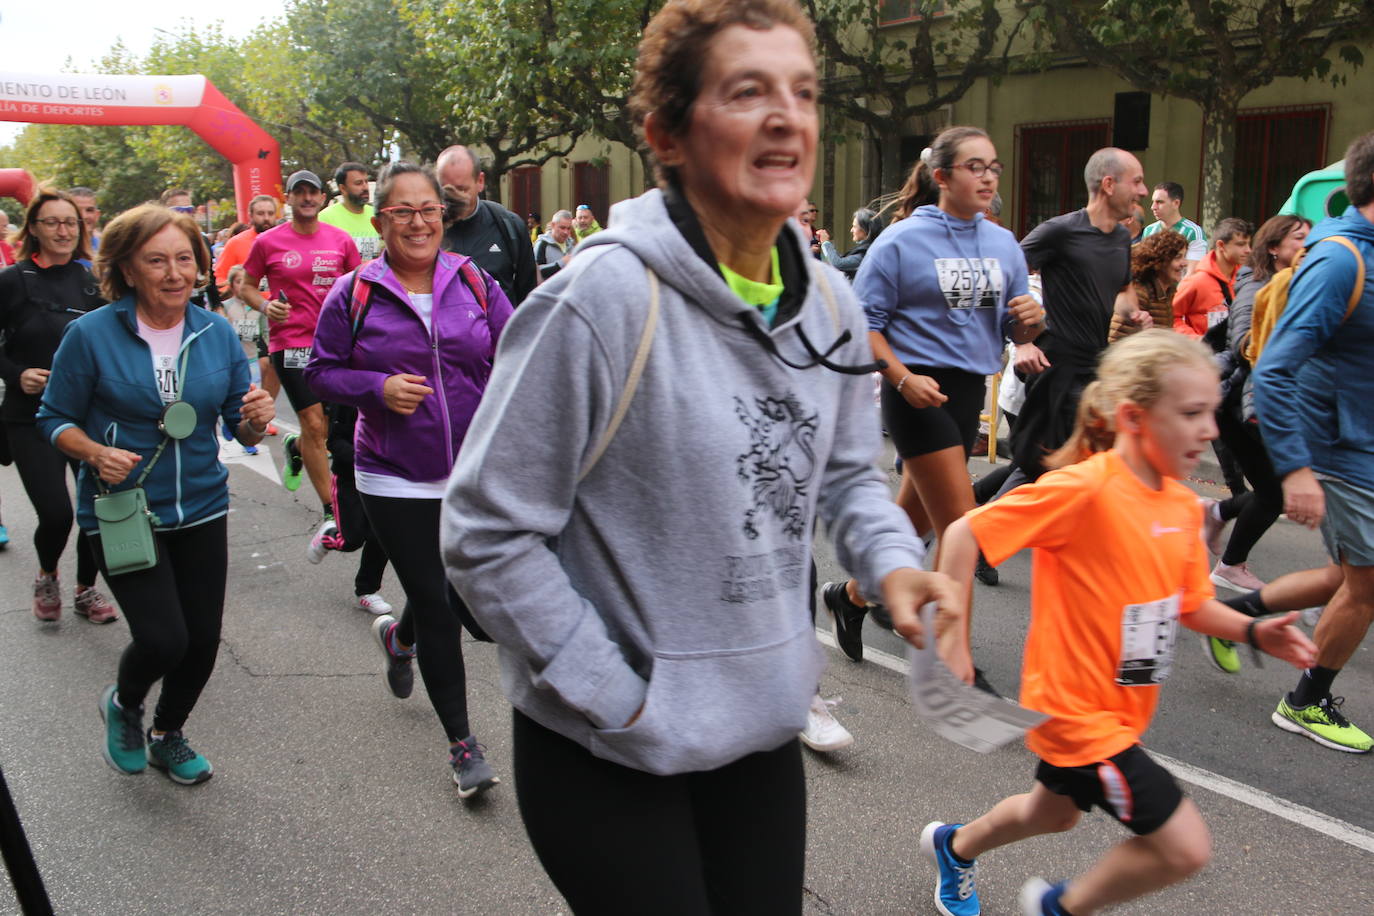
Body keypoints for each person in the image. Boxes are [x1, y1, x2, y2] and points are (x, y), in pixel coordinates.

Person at [441, 1, 955, 909]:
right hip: (607, 739)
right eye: (746, 91)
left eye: (801, 91)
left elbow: (842, 475)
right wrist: (614, 690)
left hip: (757, 721)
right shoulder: (598, 301)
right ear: (667, 136)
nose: (786, 116)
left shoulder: (833, 302)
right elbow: (486, 532)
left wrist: (895, 564)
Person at [921, 330, 1316, 916]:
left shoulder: (1182, 506)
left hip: (1124, 710)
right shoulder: (1085, 489)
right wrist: (951, 639)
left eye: (1211, 411)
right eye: (1191, 414)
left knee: (1050, 814)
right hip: (1074, 711)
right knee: (1183, 847)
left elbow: (1190, 604)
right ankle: (1058, 908)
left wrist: (1254, 630)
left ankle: (954, 848)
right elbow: (963, 531)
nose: (1210, 430)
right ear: (1133, 417)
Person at [37, 203, 275, 785]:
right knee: (163, 638)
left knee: (202, 641)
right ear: (127, 268)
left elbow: (234, 426)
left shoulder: (215, 332)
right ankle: (124, 702)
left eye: (185, 259)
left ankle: (167, 734)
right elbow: (54, 418)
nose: (174, 273)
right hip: (124, 511)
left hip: (201, 505)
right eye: (156, 260)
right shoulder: (90, 335)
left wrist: (254, 418)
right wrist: (94, 453)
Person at [305, 160, 514, 797]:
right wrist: (376, 387)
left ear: (442, 217)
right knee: (435, 597)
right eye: (403, 212)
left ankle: (399, 642)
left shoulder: (475, 282)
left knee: (446, 590)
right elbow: (318, 373)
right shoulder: (355, 292)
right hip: (393, 475)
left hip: (470, 471)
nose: (418, 222)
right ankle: (462, 745)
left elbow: (519, 352)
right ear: (380, 221)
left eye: (428, 210)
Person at [823, 127, 1043, 682]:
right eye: (974, 166)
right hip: (914, 392)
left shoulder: (1003, 244)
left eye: (993, 166)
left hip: (969, 389)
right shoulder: (900, 242)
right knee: (961, 526)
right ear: (941, 177)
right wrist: (900, 379)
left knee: (908, 522)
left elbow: (1015, 323)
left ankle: (850, 598)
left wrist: (1031, 329)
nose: (989, 177)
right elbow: (864, 326)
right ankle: (951, 661)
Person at [1255, 130, 1374, 754]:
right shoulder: (1339, 260)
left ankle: (1238, 617)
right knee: (1367, 581)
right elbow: (1274, 369)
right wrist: (1296, 468)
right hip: (1342, 451)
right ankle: (1304, 701)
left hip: (1365, 446)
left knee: (1346, 574)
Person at [0, 188, 115, 620]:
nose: (63, 230)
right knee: (55, 512)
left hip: (90, 413)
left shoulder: (97, 276)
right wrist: (16, 374)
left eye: (71, 222)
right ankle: (47, 574)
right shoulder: (11, 281)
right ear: (33, 228)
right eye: (52, 222)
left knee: (98, 509)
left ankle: (86, 589)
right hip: (29, 415)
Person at [1010, 147, 1150, 487]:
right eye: (1137, 182)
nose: (1143, 191)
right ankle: (972, 534)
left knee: (1061, 470)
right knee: (1049, 469)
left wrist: (1134, 313)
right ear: (1108, 184)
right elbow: (1005, 274)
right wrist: (1023, 342)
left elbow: (1122, 289)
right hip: (1057, 365)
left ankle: (970, 520)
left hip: (1094, 364)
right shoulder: (1059, 232)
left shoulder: (1121, 237)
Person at [239, 170, 361, 537]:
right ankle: (330, 508)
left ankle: (297, 447)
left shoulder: (340, 240)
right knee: (311, 421)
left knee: (326, 427)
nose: (307, 198)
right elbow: (245, 285)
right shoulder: (268, 242)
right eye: (299, 193)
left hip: (335, 343)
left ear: (323, 199)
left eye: (313, 193)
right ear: (288, 199)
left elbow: (359, 288)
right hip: (290, 342)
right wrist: (264, 307)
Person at [1198, 214, 1311, 607]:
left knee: (1272, 489)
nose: (1306, 244)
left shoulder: (1299, 285)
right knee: (1276, 491)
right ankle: (1229, 564)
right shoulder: (1256, 283)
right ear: (1275, 247)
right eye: (1298, 238)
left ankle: (1216, 513)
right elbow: (1244, 337)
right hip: (1239, 403)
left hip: (1261, 402)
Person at [213, 194, 282, 432]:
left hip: (273, 316)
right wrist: (235, 293)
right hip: (243, 316)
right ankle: (239, 414)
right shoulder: (237, 243)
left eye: (269, 213)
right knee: (249, 367)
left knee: (271, 366)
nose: (265, 218)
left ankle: (264, 416)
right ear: (251, 216)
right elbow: (219, 276)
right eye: (260, 213)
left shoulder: (283, 241)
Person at [436, 145, 537, 306]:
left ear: (480, 182)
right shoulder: (427, 230)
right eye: (446, 190)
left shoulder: (509, 226)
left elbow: (528, 295)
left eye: (461, 189)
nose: (453, 198)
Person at [1171, 217, 1252, 338]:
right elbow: (1172, 317)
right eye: (1241, 244)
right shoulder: (1196, 281)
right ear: (1221, 245)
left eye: (1248, 244)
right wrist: (1196, 340)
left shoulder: (1246, 279)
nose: (1248, 250)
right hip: (1203, 353)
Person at [1108, 229, 1187, 342]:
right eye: (1178, 257)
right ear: (1159, 260)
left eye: (1184, 256)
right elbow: (1117, 341)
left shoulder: (1168, 289)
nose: (1185, 263)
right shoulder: (1139, 292)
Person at [319, 161, 383, 260]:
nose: (365, 187)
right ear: (343, 188)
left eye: (366, 182)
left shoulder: (378, 215)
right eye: (358, 183)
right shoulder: (325, 218)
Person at [1143, 181, 1208, 272]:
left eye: (1159, 202)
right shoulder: (1149, 230)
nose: (1153, 207)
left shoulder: (1193, 232)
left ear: (1176, 203)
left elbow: (1193, 273)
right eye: (1153, 202)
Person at [816, 206, 882, 280]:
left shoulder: (866, 253)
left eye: (854, 226)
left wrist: (825, 242)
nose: (851, 230)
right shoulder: (870, 248)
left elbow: (838, 263)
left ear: (865, 229)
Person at [533, 209, 576, 283]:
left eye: (568, 228)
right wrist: (561, 263)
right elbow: (536, 272)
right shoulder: (542, 244)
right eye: (562, 228)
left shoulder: (571, 244)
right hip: (548, 292)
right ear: (553, 225)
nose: (566, 232)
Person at [67, 187, 101, 251]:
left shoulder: (106, 250)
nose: (83, 216)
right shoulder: (55, 252)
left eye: (89, 210)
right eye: (77, 210)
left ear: (97, 215)